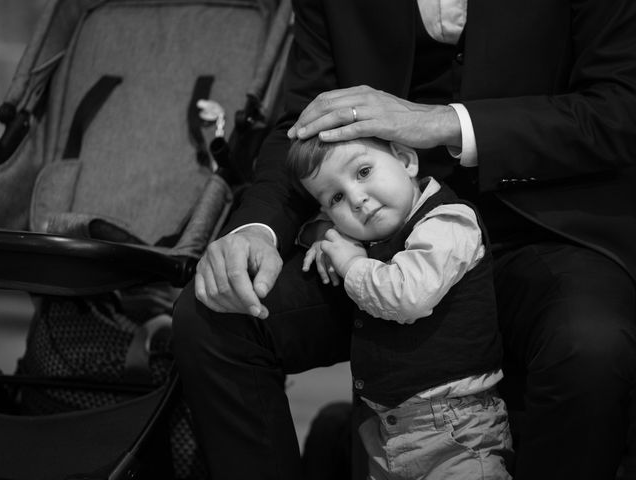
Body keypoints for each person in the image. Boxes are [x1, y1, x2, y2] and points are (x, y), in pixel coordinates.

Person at [172, 0, 636, 479]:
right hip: (382, 237)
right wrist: (256, 228)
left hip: (548, 229)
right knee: (216, 313)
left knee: (592, 345)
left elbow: (621, 107)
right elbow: (300, 124)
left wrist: (441, 122)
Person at [287, 134, 513, 479]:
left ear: (407, 160)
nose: (357, 199)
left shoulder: (448, 222)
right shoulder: (371, 234)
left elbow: (407, 297)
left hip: (456, 428)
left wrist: (350, 264)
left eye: (363, 172)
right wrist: (326, 237)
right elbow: (311, 228)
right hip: (388, 430)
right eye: (336, 197)